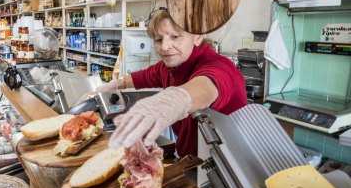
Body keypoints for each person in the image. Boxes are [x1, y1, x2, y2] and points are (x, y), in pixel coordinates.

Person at [99, 10, 247, 156]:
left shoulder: (221, 66)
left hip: (229, 165)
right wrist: (116, 84)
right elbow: (143, 76)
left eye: (175, 37)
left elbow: (208, 86)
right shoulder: (169, 66)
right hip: (190, 159)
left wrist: (176, 99)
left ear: (197, 37)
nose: (165, 47)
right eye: (158, 40)